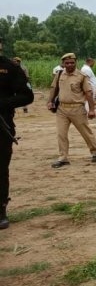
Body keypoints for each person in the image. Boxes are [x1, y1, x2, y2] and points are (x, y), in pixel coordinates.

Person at [0, 37, 34, 229]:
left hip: (2, 125)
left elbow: (27, 96)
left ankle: (0, 210)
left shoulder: (10, 68)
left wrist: (3, 104)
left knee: (0, 169)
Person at [47, 53, 96, 167]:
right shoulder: (59, 74)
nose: (69, 65)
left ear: (76, 62)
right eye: (67, 63)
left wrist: (92, 109)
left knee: (86, 132)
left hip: (77, 109)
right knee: (61, 134)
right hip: (62, 109)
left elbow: (88, 93)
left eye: (72, 63)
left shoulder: (81, 76)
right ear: (63, 64)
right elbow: (54, 89)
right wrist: (50, 101)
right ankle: (63, 158)